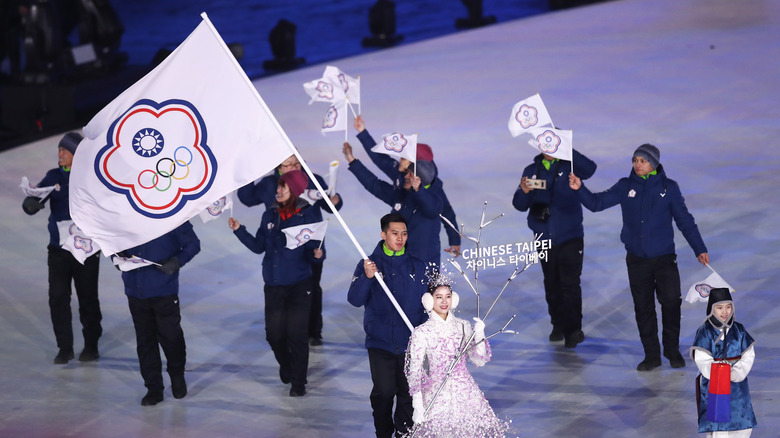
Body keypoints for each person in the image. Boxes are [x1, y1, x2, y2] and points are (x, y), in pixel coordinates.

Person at [569, 143, 709, 370]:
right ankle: (652, 356)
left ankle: (672, 351)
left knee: (671, 303)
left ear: (653, 163)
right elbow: (597, 204)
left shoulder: (668, 188)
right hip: (637, 259)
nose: (637, 165)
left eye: (642, 160)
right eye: (635, 160)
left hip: (664, 258)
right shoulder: (625, 186)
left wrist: (699, 248)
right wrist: (580, 188)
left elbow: (684, 220)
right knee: (643, 308)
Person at [230, 169, 324, 397]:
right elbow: (258, 247)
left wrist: (316, 256)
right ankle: (286, 365)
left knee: (297, 335)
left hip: (300, 286)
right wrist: (239, 230)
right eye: (278, 186)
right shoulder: (269, 215)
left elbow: (315, 252)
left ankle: (298, 383)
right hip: (273, 286)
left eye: (283, 187)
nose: (277, 190)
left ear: (295, 191)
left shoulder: (308, 216)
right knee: (274, 335)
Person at [237, 154, 342, 347]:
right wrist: (249, 171)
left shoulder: (312, 179)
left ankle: (313, 331)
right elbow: (247, 198)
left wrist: (335, 201)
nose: (294, 168)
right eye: (288, 165)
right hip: (280, 249)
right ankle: (285, 330)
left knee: (312, 288)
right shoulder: (269, 184)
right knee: (281, 291)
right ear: (277, 168)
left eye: (297, 163)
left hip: (310, 247)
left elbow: (329, 206)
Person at [22, 131, 102, 364]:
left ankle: (91, 345)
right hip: (58, 251)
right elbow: (36, 198)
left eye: (66, 150)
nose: (60, 153)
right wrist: (30, 205)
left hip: (86, 251)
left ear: (77, 155)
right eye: (59, 149)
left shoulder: (91, 178)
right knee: (58, 298)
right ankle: (65, 347)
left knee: (88, 299)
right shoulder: (53, 176)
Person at [347, 212, 428, 438]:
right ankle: (383, 432)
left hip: (410, 345)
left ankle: (403, 433)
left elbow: (427, 305)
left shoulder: (418, 266)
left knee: (408, 395)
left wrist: (425, 337)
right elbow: (354, 300)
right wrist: (367, 277)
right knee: (383, 394)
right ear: (383, 235)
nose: (400, 238)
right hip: (380, 344)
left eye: (403, 233)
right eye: (394, 233)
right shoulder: (368, 265)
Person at [512, 149, 597, 348]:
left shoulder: (571, 167)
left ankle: (573, 330)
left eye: (553, 144)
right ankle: (558, 325)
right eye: (544, 144)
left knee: (570, 284)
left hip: (571, 236)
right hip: (543, 236)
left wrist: (569, 149)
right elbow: (519, 204)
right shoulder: (531, 170)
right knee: (552, 283)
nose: (548, 149)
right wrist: (523, 192)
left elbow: (591, 169)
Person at [405, 280, 510, 437]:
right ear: (429, 300)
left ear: (453, 299)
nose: (444, 301)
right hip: (436, 394)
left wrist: (480, 334)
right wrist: (417, 404)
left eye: (448, 296)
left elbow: (478, 360)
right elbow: (415, 371)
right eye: (438, 297)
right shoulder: (422, 332)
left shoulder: (463, 325)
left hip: (466, 394)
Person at [352, 115, 461, 259]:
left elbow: (447, 212)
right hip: (402, 249)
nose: (399, 159)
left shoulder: (434, 190)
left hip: (424, 255)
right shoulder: (402, 173)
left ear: (415, 166)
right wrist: (362, 132)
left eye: (404, 157)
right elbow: (380, 159)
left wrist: (455, 240)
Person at [120, 221, 200, 406]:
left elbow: (193, 244)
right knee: (145, 341)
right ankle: (154, 388)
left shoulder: (172, 214)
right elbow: (113, 242)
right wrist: (117, 258)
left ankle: (177, 374)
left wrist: (177, 261)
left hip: (164, 291)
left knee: (171, 337)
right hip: (135, 290)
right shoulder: (125, 212)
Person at [343, 141, 443, 270]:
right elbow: (375, 185)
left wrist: (419, 190)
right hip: (400, 263)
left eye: (410, 174)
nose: (405, 176)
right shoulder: (402, 196)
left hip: (424, 269)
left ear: (420, 180)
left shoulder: (434, 200)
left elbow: (432, 209)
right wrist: (352, 160)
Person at [690, 288, 757, 437]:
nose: (724, 312)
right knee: (718, 425)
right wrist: (719, 372)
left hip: (737, 385)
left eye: (728, 307)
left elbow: (748, 355)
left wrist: (737, 372)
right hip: (715, 385)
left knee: (742, 423)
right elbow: (702, 359)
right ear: (712, 308)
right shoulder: (705, 331)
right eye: (719, 308)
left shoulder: (738, 329)